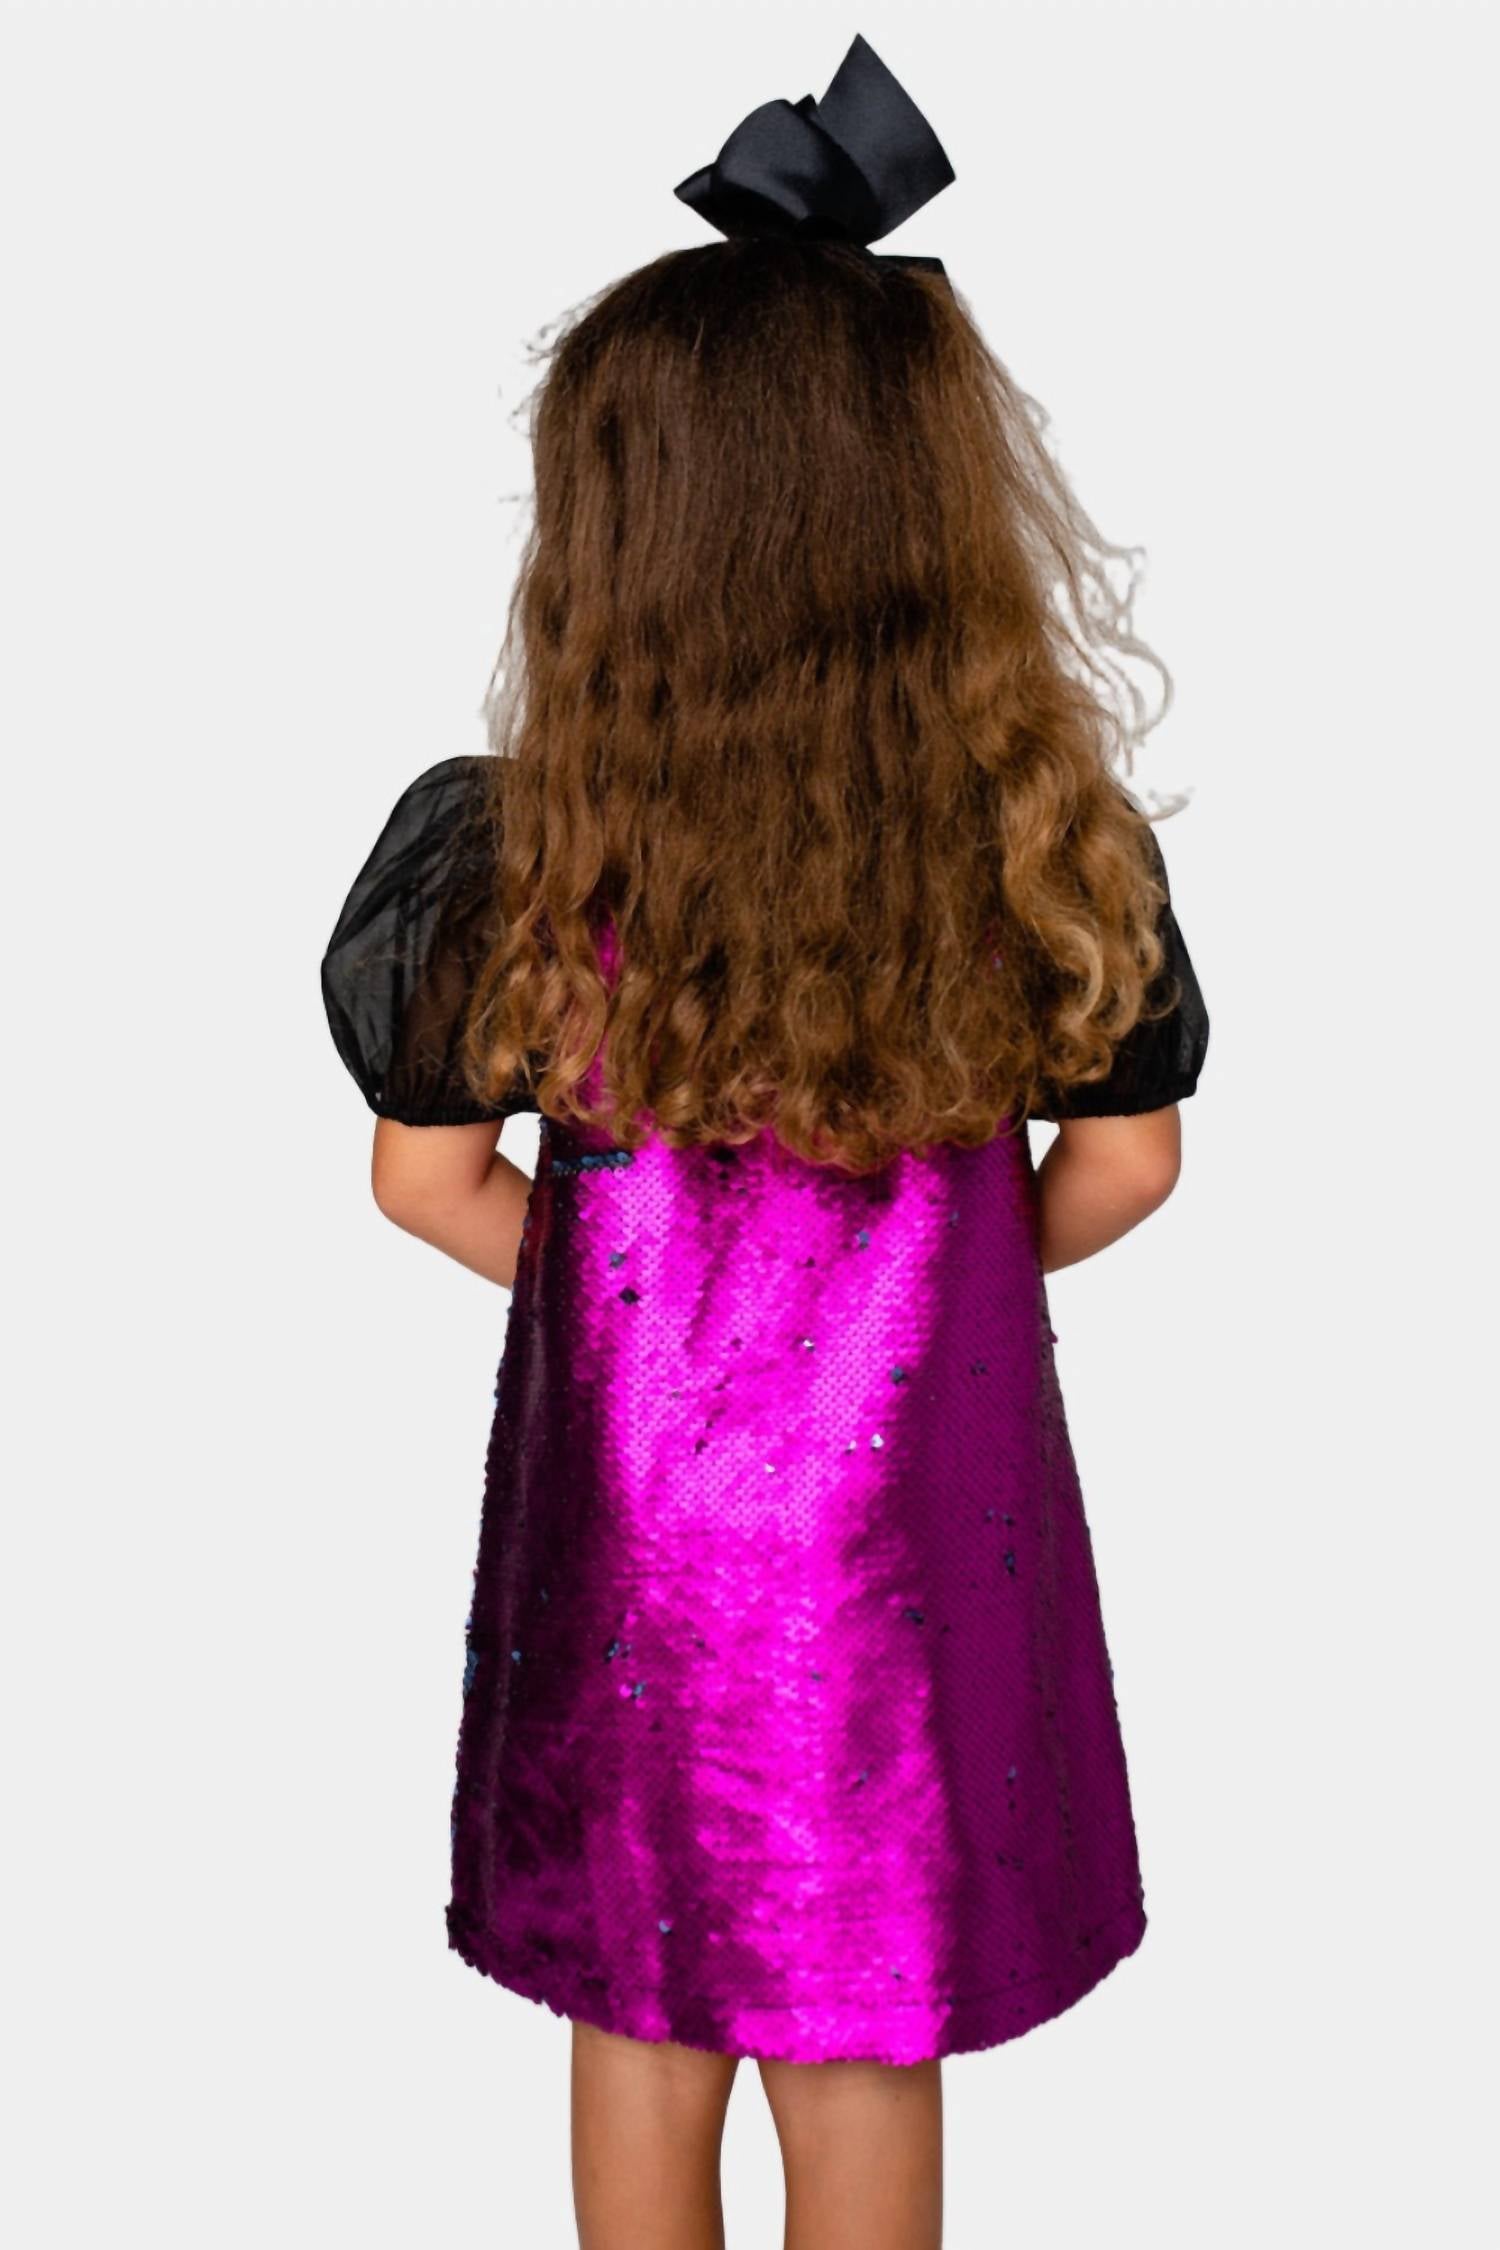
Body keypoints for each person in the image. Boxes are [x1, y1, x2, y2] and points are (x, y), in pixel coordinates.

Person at [320, 35, 1210, 2250]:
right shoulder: (1033, 846)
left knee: (637, 1989)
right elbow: (1129, 1164)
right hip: (906, 1523)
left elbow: (425, 1183)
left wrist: (663, 1311)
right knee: (861, 2006)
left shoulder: (520, 856)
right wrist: (921, 1299)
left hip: (633, 1527)